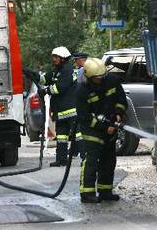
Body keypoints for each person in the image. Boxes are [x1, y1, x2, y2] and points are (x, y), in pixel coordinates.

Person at [76, 57, 127, 203]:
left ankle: (105, 191)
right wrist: (105, 127)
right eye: (96, 78)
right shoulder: (82, 90)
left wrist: (118, 114)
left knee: (109, 160)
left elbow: (121, 100)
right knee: (91, 160)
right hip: (92, 130)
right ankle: (87, 193)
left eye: (102, 77)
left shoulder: (112, 81)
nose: (100, 80)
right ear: (88, 77)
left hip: (111, 126)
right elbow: (84, 117)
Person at [38, 46, 78, 167]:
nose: (54, 59)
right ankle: (61, 159)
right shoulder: (57, 70)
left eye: (56, 57)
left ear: (63, 58)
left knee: (78, 135)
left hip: (71, 111)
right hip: (61, 111)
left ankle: (86, 157)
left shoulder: (68, 70)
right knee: (61, 137)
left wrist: (45, 91)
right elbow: (45, 79)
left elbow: (59, 88)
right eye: (54, 57)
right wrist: (30, 73)